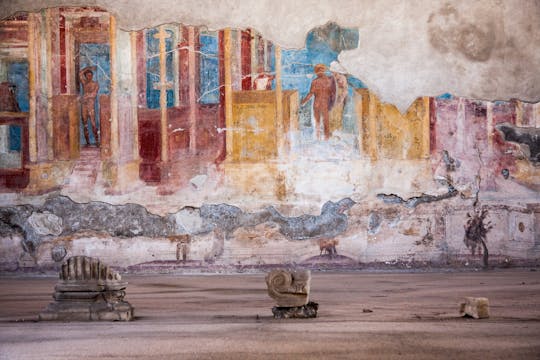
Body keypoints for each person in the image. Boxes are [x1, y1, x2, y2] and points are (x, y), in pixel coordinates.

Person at [300, 63, 336, 140]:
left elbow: (310, 94)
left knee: (317, 122)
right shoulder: (330, 81)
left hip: (317, 104)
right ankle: (326, 138)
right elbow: (333, 94)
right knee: (326, 122)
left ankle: (318, 137)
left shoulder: (315, 82)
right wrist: (332, 104)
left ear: (316, 71)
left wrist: (303, 102)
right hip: (325, 104)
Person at [79, 66, 99, 146]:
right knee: (85, 124)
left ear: (92, 76)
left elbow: (94, 95)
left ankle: (97, 141)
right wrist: (88, 67)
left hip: (90, 106)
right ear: (86, 76)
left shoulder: (95, 84)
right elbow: (80, 73)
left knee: (93, 123)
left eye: (90, 75)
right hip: (84, 106)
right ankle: (88, 143)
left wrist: (86, 96)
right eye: (87, 75)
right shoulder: (84, 83)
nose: (89, 77)